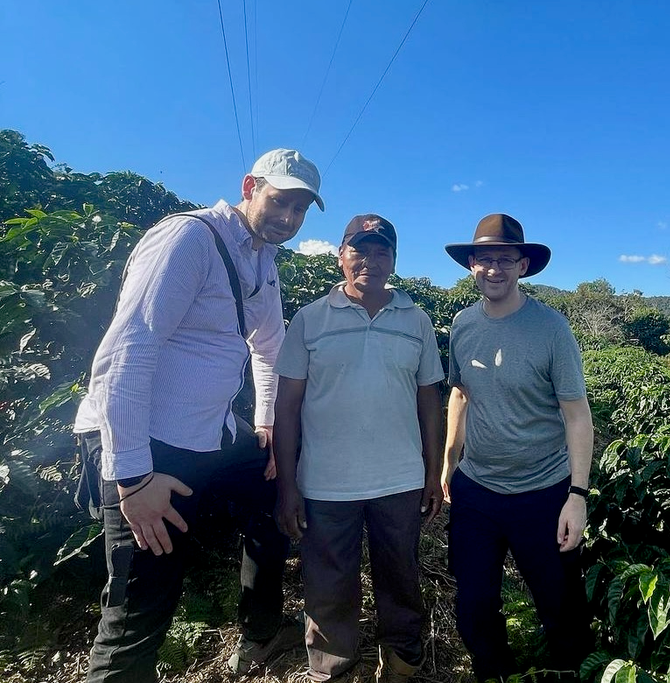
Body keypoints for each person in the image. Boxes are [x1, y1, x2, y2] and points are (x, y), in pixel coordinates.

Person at [74, 148, 325, 682]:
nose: (289, 218)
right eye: (281, 202)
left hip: (208, 433)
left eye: (301, 209)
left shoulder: (262, 259)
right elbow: (127, 349)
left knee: (270, 486)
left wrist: (264, 423)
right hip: (145, 440)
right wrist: (133, 476)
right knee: (140, 607)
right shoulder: (189, 238)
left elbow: (269, 347)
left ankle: (260, 630)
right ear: (250, 186)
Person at [273, 214, 445, 683]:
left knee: (401, 580)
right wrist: (288, 487)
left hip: (400, 481)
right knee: (327, 586)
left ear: (394, 259)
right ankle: (332, 667)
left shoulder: (417, 320)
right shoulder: (310, 319)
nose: (371, 260)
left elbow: (430, 398)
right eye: (359, 250)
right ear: (341, 256)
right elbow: (286, 408)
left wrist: (433, 473)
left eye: (382, 250)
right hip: (326, 484)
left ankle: (403, 662)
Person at [442, 213, 595, 681]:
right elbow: (461, 394)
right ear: (471, 265)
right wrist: (449, 464)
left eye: (505, 259)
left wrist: (577, 496)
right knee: (474, 603)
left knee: (561, 606)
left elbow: (577, 414)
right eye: (484, 259)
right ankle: (495, 672)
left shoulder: (551, 329)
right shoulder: (463, 324)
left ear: (523, 265)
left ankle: (572, 671)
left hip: (544, 492)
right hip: (477, 492)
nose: (494, 269)